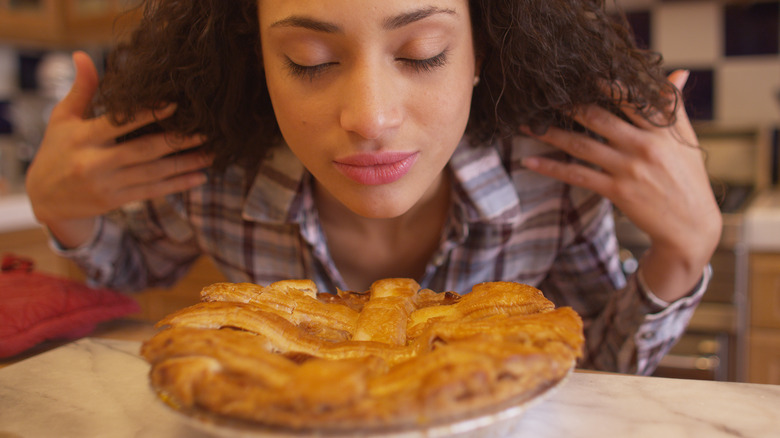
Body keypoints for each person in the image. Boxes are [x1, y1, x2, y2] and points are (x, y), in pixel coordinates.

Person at [24, 0, 721, 375]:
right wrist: (63, 214)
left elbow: (591, 366)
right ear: (254, 60)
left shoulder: (553, 179)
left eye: (423, 53)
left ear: (483, 49)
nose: (369, 118)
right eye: (310, 60)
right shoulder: (215, 175)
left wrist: (684, 253)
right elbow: (136, 267)